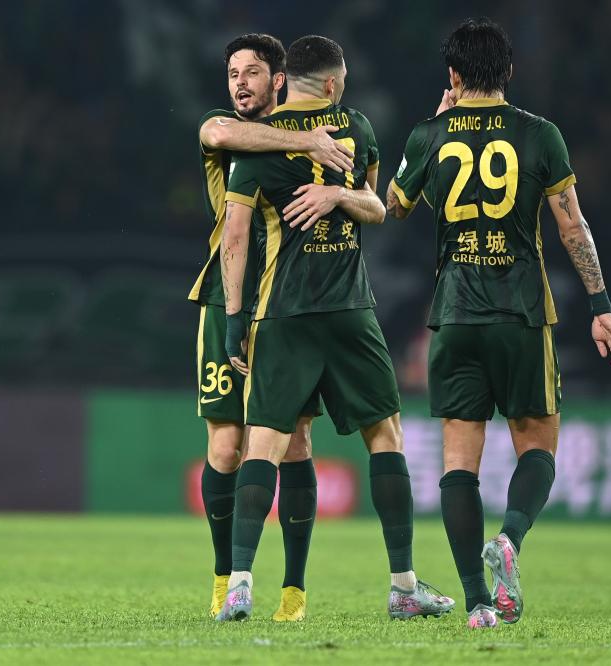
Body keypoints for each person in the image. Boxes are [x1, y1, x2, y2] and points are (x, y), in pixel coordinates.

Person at [386, 18, 611, 629]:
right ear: (509, 72)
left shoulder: (430, 135)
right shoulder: (541, 136)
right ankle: (511, 539)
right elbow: (572, 226)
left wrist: (434, 125)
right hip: (520, 313)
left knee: (458, 464)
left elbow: (389, 206)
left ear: (453, 75)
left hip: (455, 315)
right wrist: (600, 306)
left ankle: (476, 603)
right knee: (538, 446)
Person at [216, 34, 455, 623]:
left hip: (286, 313)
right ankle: (402, 585)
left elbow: (237, 237)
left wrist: (233, 319)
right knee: (385, 436)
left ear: (283, 80)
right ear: (330, 82)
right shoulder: (356, 128)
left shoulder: (257, 143)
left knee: (264, 442)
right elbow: (381, 208)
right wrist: (345, 193)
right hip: (345, 310)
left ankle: (241, 583)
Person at [188, 32, 356, 622]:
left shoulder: (318, 136)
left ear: (279, 80)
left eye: (253, 72)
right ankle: (222, 582)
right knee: (227, 446)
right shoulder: (228, 129)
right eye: (232, 71)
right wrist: (307, 137)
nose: (239, 82)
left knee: (296, 443)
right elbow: (218, 133)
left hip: (291, 304)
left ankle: (293, 591)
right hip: (225, 301)